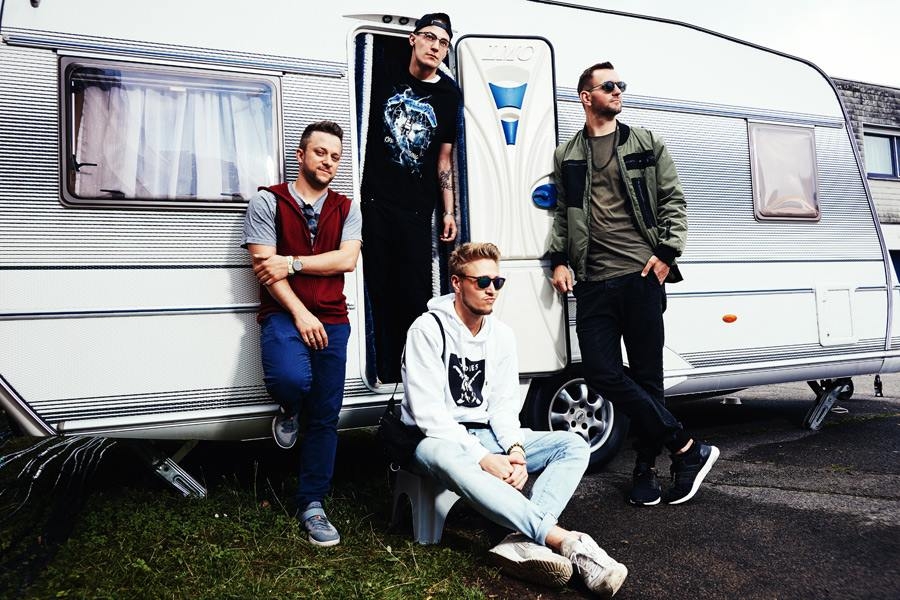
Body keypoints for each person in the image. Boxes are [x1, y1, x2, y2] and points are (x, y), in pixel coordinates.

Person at [402, 242, 628, 597]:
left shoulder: (501, 335)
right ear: (457, 283)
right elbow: (429, 415)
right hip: (432, 440)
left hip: (486, 434)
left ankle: (522, 539)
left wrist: (516, 450)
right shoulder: (427, 330)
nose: (491, 289)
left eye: (498, 281)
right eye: (482, 282)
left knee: (572, 444)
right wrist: (483, 458)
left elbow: (503, 407)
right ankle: (565, 541)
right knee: (448, 455)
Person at [548, 62, 719, 507]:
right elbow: (563, 213)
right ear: (586, 97)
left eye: (620, 84)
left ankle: (646, 470)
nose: (618, 90)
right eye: (609, 85)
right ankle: (686, 447)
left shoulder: (646, 142)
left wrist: (667, 252)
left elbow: (673, 200)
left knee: (647, 376)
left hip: (640, 276)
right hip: (592, 281)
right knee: (601, 372)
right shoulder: (568, 155)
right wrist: (559, 259)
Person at [242, 120, 362, 546]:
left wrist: (292, 262)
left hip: (333, 318)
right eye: (320, 152)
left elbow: (346, 260)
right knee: (290, 379)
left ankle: (312, 503)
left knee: (326, 415)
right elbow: (264, 268)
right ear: (301, 155)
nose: (328, 162)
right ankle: (290, 410)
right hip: (282, 312)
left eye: (335, 156)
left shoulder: (346, 208)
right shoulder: (267, 201)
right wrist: (300, 313)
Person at [361, 11, 462, 383]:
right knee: (377, 289)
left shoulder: (449, 94)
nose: (436, 47)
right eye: (430, 37)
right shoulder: (383, 72)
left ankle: (413, 378)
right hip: (374, 203)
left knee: (414, 295)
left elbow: (444, 158)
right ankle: (382, 370)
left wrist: (448, 211)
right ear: (413, 39)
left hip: (417, 210)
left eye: (443, 43)